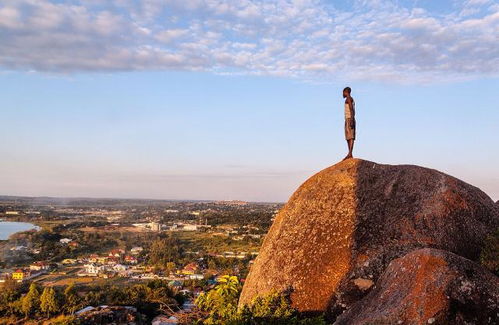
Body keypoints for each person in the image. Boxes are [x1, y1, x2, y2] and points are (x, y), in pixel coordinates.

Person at [342, 87, 355, 160]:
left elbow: (351, 108)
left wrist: (352, 119)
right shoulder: (348, 99)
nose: (342, 94)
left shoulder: (349, 98)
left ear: (346, 92)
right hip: (348, 119)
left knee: (351, 136)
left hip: (350, 118)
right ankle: (350, 153)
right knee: (348, 137)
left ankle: (350, 153)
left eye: (343, 92)